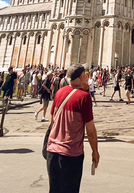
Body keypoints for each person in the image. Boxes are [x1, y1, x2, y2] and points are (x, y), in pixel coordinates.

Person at [46, 64, 99, 193]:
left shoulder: (59, 93)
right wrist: (95, 151)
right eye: (85, 75)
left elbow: (51, 121)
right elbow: (90, 129)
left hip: (52, 153)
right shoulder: (84, 97)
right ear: (81, 77)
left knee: (54, 190)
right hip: (71, 155)